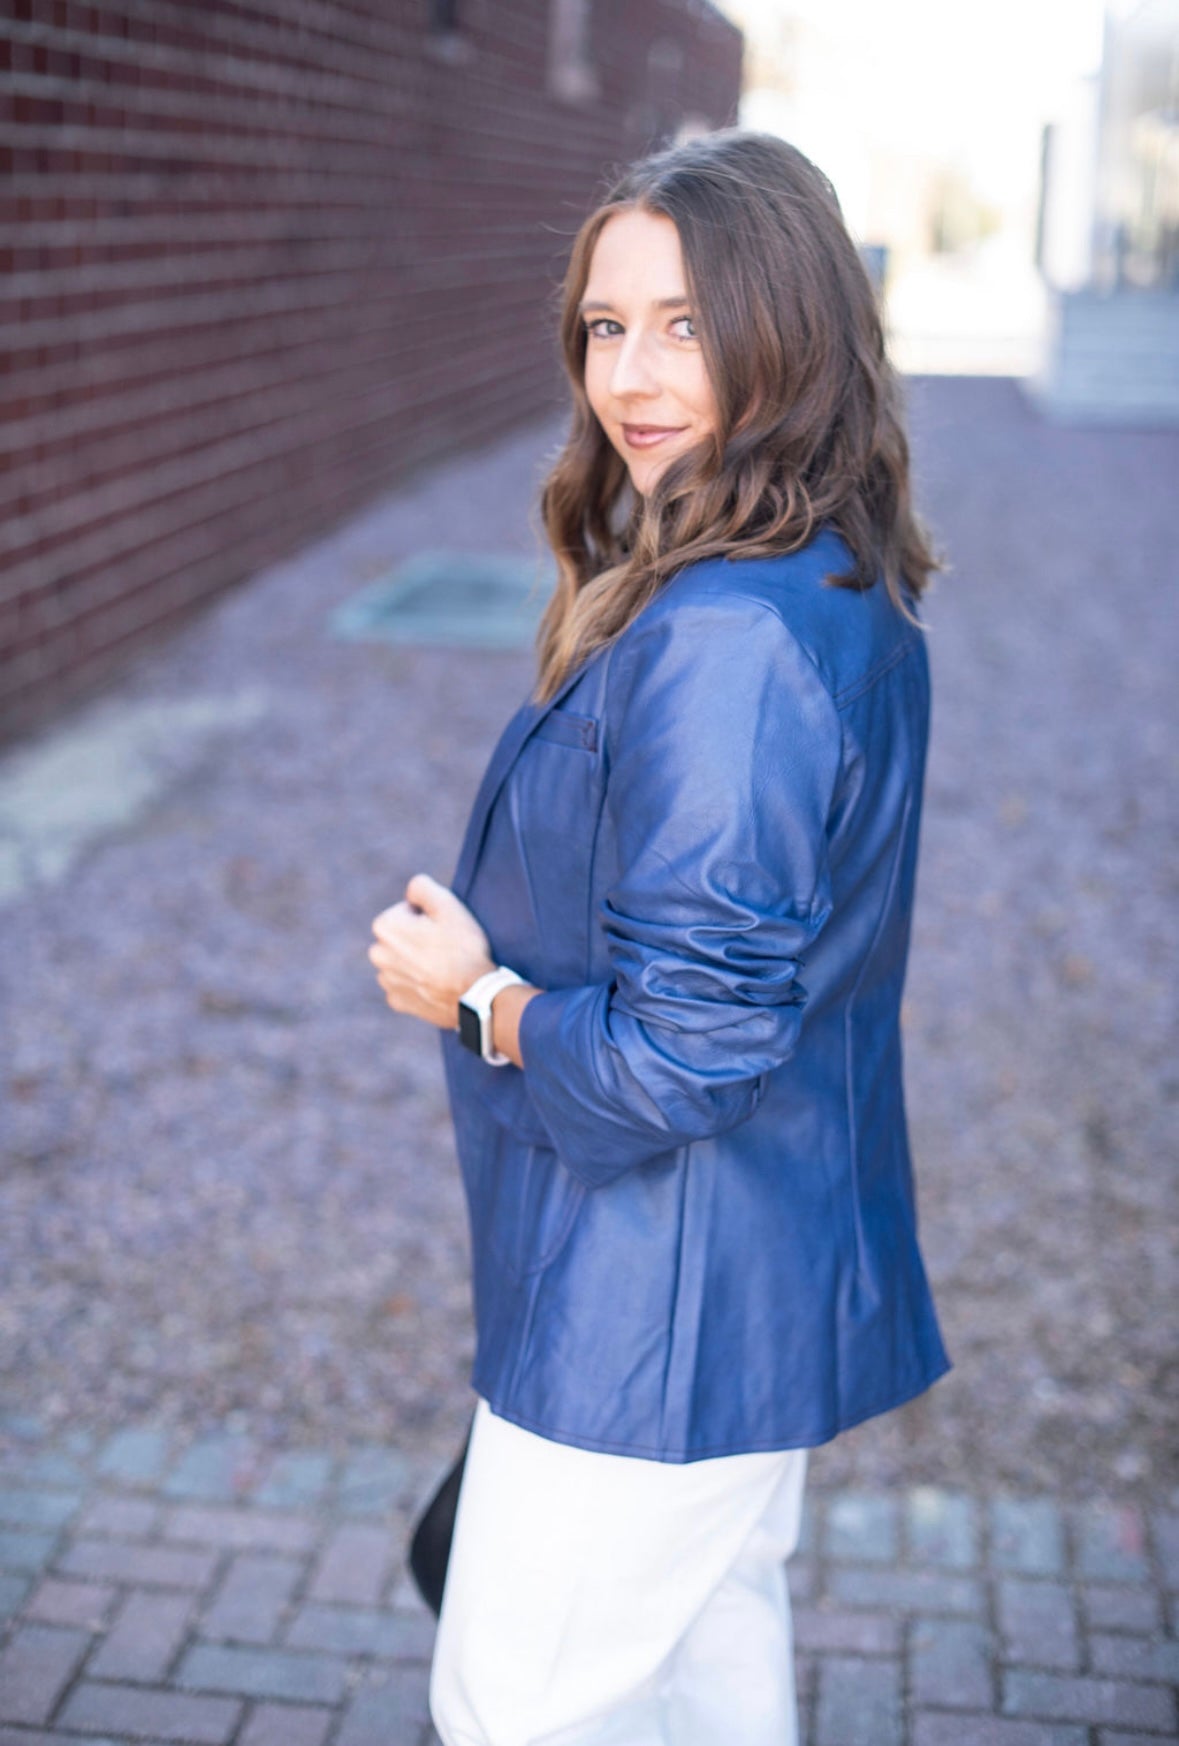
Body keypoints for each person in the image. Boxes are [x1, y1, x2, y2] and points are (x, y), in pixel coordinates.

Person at [368, 128, 951, 1746]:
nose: (630, 372)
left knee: (518, 1707)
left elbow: (687, 1048)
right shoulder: (827, 579)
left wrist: (474, 990)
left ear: (792, 327)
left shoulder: (728, 635)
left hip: (654, 1311)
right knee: (704, 1677)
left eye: (686, 323)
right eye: (607, 323)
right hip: (740, 1287)